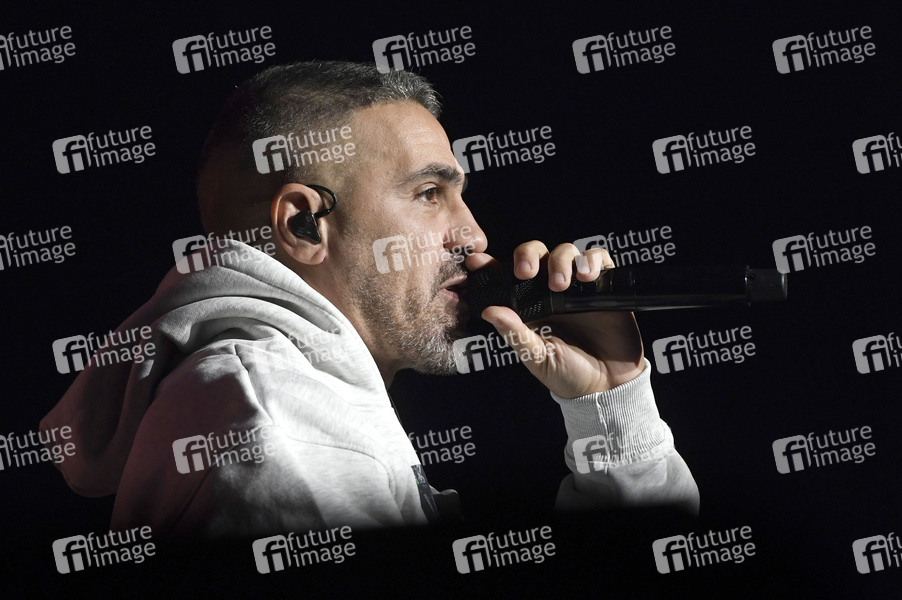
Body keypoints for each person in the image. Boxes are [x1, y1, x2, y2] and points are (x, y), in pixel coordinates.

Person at [40, 61, 698, 537]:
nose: (474, 236)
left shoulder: (289, 406)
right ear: (305, 226)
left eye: (459, 196)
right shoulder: (283, 431)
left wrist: (609, 405)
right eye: (429, 194)